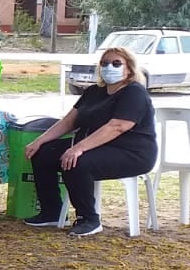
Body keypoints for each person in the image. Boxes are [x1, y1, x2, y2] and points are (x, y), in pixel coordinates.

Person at [23, 45, 157, 237]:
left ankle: (89, 219)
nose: (109, 67)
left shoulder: (134, 92)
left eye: (116, 63)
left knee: (77, 161)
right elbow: (69, 121)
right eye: (104, 63)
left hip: (131, 153)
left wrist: (78, 148)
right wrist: (39, 141)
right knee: (45, 152)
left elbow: (117, 126)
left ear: (129, 68)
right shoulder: (94, 91)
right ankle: (51, 211)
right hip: (96, 147)